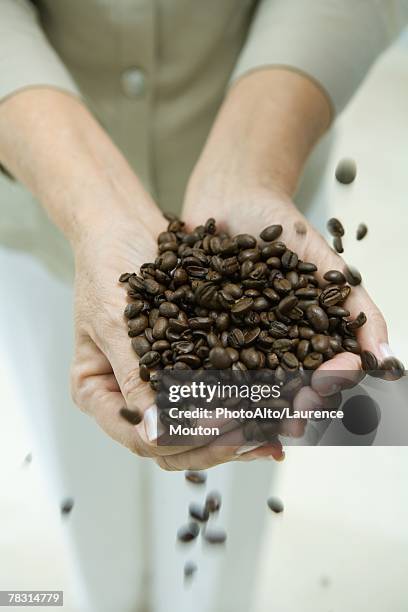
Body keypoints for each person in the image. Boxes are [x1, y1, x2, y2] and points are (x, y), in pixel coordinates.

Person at [0, 2, 406, 611]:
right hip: (39, 201)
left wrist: (253, 161)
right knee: (86, 487)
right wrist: (88, 199)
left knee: (234, 463)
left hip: (275, 152)